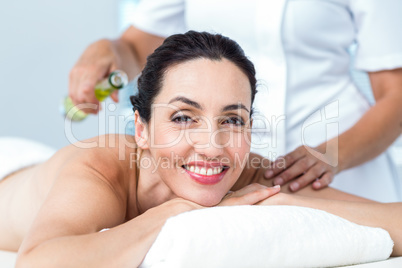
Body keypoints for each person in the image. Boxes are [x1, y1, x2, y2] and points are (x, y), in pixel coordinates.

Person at [1, 31, 401, 267]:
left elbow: (390, 220)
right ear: (141, 128)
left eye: (232, 120)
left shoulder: (252, 177)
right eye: (182, 118)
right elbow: (39, 262)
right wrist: (177, 211)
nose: (212, 147)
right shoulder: (100, 169)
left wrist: (281, 205)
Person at [68, 0, 402, 202]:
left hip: (337, 161)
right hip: (219, 170)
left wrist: (334, 155)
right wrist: (109, 49)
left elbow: (396, 96)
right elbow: (135, 47)